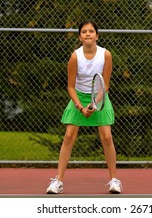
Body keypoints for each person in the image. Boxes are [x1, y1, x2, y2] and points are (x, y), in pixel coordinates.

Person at [46, 20, 122, 194]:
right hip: (78, 97)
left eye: (91, 31)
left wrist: (95, 103)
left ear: (97, 35)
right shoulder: (75, 56)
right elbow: (70, 87)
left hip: (99, 95)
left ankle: (114, 180)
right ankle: (58, 181)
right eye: (84, 31)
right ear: (80, 37)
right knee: (69, 136)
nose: (88, 34)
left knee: (107, 137)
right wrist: (81, 107)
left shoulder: (106, 55)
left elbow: (106, 85)